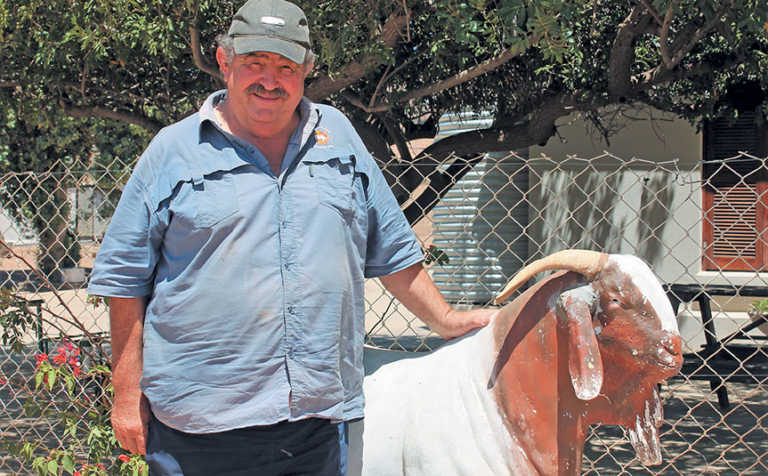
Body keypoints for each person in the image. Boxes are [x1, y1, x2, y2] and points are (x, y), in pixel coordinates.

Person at [87, 0, 496, 474]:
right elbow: (124, 280)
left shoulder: (339, 137)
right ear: (225, 63)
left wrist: (444, 319)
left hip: (315, 423)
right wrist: (126, 394)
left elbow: (393, 250)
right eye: (254, 64)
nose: (269, 80)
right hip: (198, 430)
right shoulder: (173, 152)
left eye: (284, 66)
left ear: (307, 69)